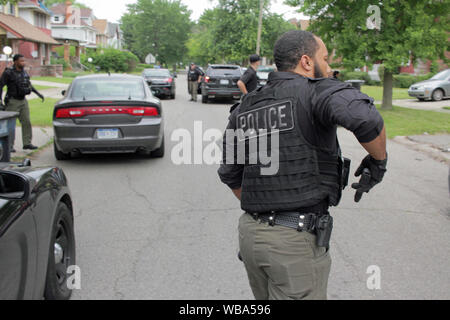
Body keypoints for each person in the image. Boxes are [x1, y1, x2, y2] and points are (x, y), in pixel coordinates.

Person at [218, 30, 387, 300]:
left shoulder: (246, 106)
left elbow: (230, 172)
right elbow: (366, 119)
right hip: (294, 243)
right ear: (307, 62)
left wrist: (265, 211)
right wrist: (379, 161)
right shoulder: (315, 92)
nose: (330, 67)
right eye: (325, 58)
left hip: (252, 237)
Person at [0, 54, 45, 151]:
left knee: (26, 122)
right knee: (11, 124)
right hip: (12, 101)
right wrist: (0, 101)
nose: (23, 63)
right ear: (15, 62)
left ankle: (27, 143)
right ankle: (9, 146)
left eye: (24, 61)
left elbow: (29, 85)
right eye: (21, 61)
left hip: (23, 101)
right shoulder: (8, 73)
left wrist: (38, 93)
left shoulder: (24, 73)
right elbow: (0, 86)